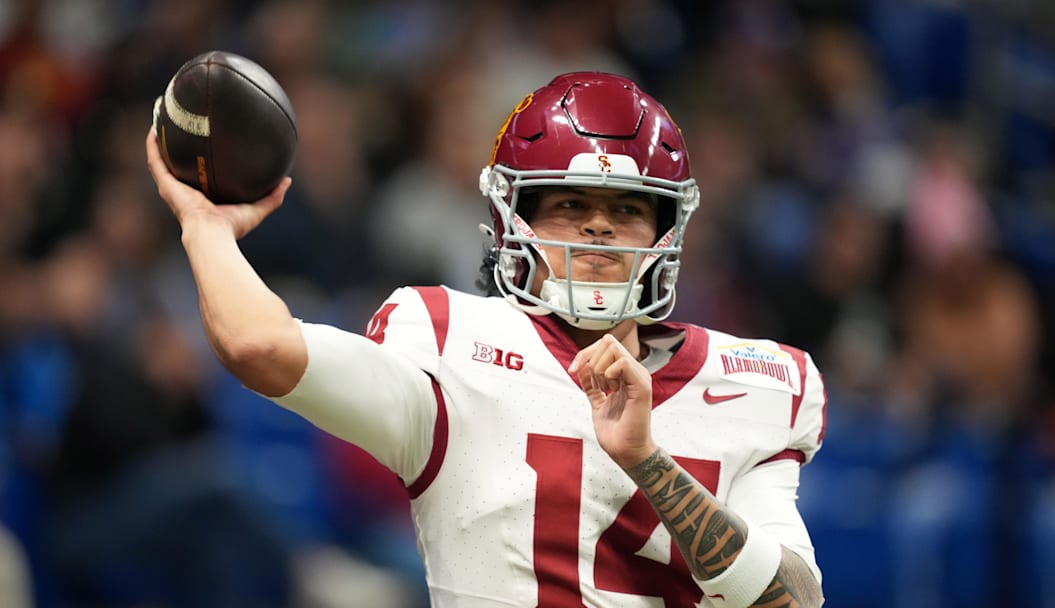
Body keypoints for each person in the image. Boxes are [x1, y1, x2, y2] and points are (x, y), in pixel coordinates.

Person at [146, 71, 827, 607]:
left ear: (665, 234)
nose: (596, 228)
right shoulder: (450, 344)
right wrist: (205, 227)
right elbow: (259, 346)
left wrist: (649, 462)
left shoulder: (754, 383)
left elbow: (793, 600)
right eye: (568, 204)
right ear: (513, 218)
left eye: (625, 210)